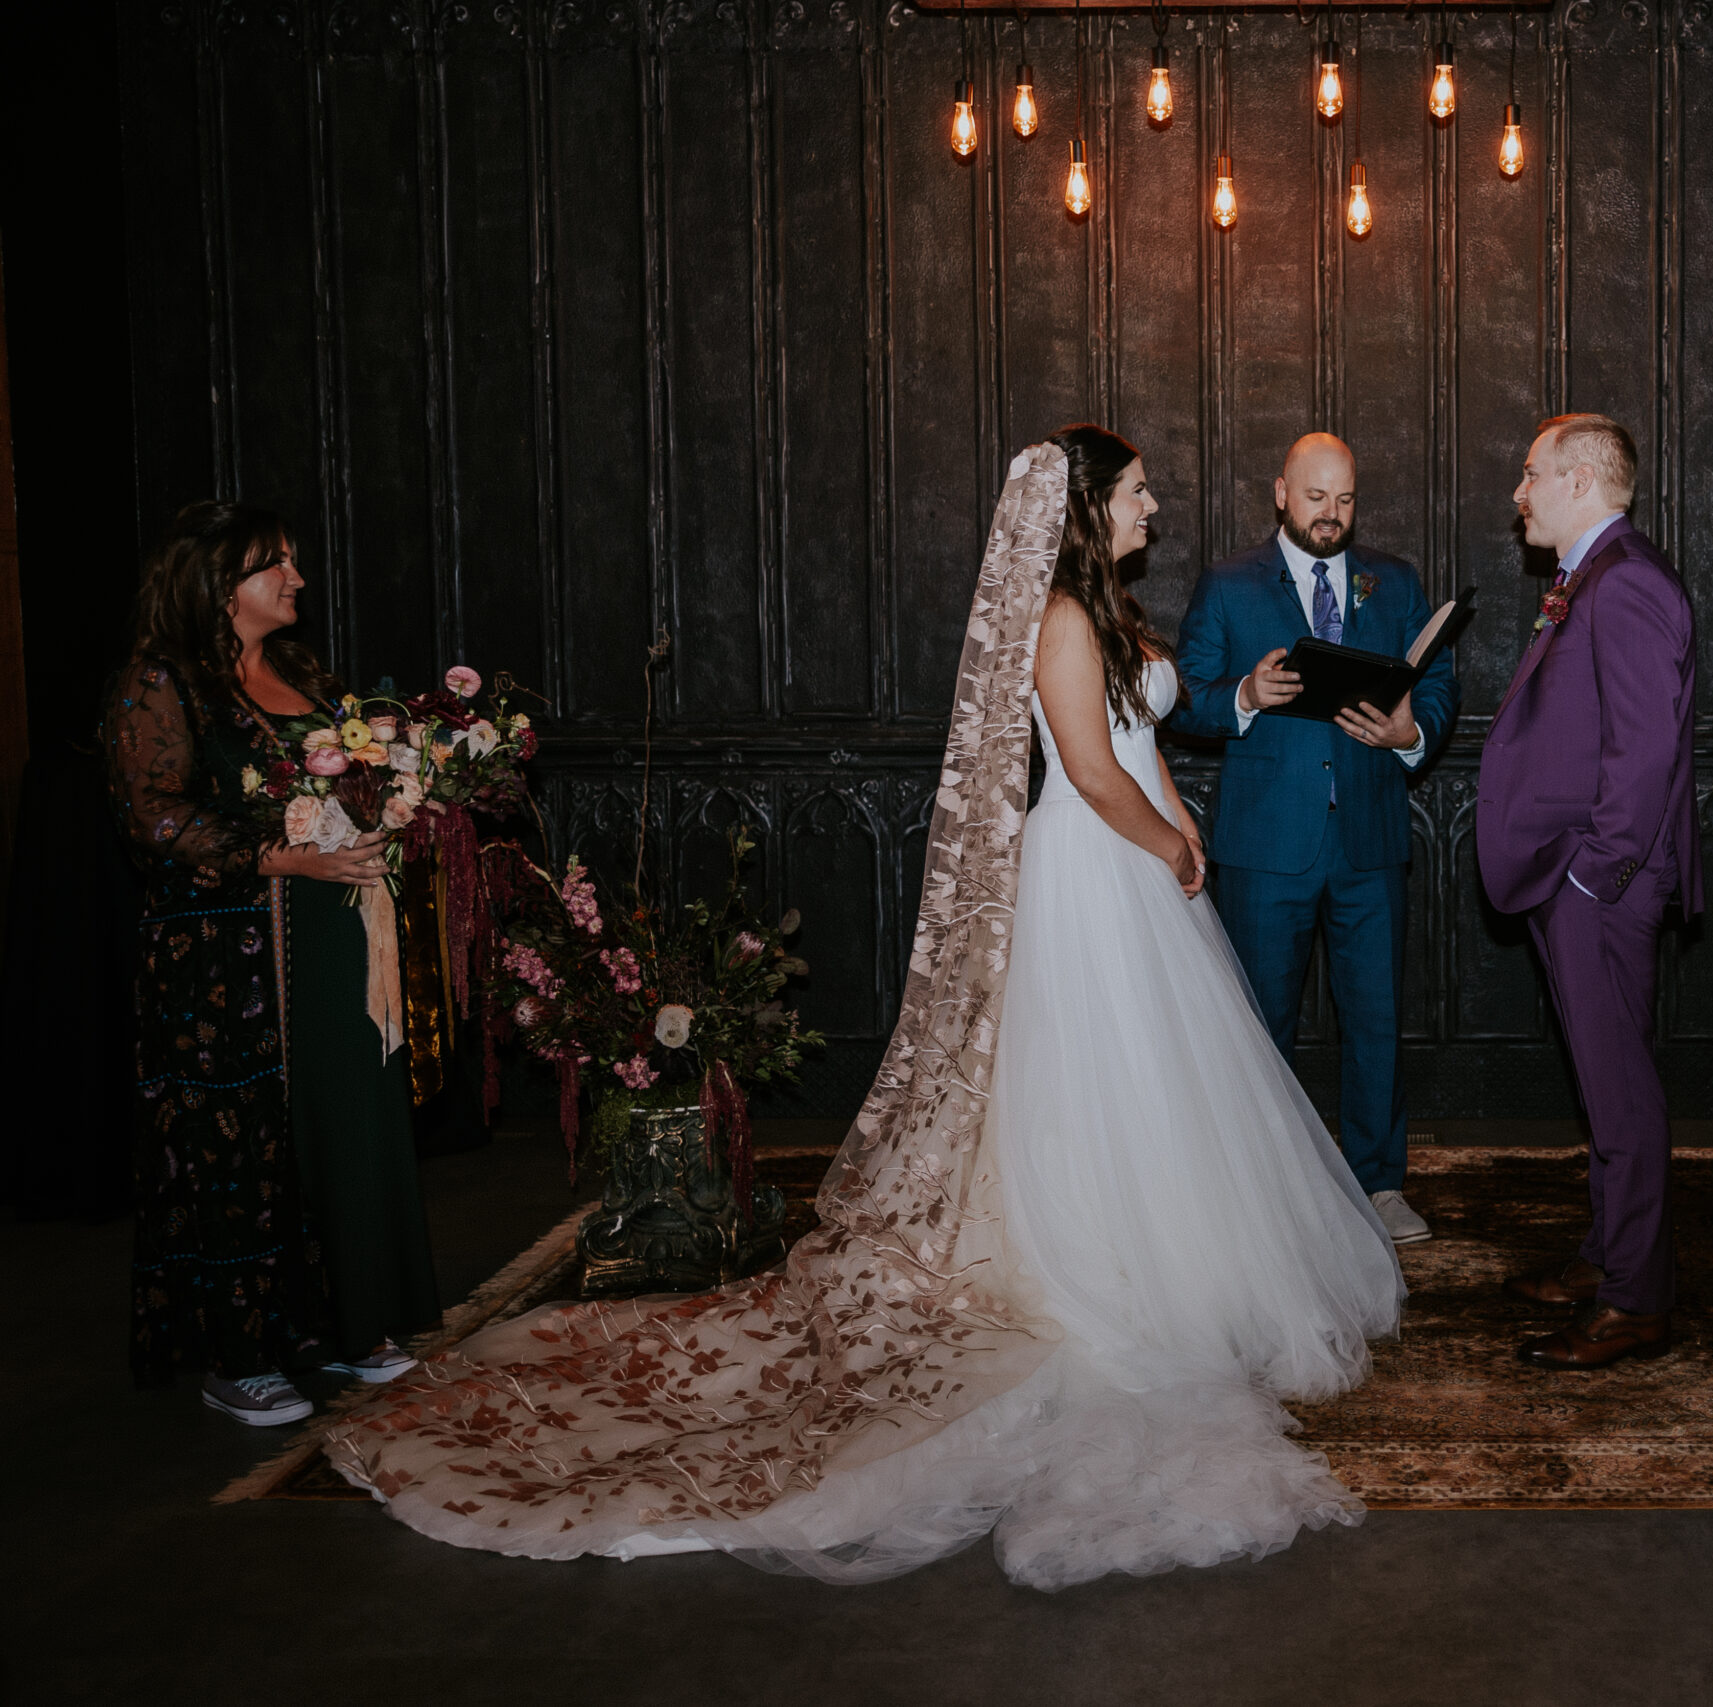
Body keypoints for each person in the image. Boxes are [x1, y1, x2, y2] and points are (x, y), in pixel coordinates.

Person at [324, 429, 1404, 1591]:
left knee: (1167, 1087)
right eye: (1138, 491)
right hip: (1102, 871)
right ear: (1088, 508)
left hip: (1143, 860)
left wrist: (1175, 828)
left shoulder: (1106, 607)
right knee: (1108, 1082)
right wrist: (1173, 843)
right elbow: (1089, 772)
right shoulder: (1059, 617)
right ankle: (1112, 1275)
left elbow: (1133, 746)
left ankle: (1188, 1262)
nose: (1155, 505)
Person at [106, 501, 439, 1427]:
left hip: (330, 945)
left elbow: (353, 777)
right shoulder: (163, 681)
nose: (295, 578)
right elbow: (152, 814)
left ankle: (348, 1320)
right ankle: (237, 1353)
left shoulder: (296, 670)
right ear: (219, 585)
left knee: (338, 1125)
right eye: (273, 566)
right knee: (242, 1145)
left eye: (291, 561)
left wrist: (398, 797)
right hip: (227, 961)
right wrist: (281, 858)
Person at [1166, 432, 1458, 1244]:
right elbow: (1185, 696)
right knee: (1261, 1025)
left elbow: (1437, 681)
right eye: (1316, 497)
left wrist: (1411, 732)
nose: (1332, 515)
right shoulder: (1228, 584)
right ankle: (1264, 1189)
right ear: (1281, 493)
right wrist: (1246, 695)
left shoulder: (1393, 581)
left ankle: (1379, 1185)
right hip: (1265, 849)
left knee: (1375, 1019)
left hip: (1369, 842)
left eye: (1346, 499)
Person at [1475, 414, 1702, 1371]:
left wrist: (1589, 877)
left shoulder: (1631, 582)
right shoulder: (1592, 578)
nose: (1518, 494)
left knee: (1623, 1098)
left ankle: (1635, 1301)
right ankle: (1608, 1259)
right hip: (1578, 879)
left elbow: (1643, 754)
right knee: (1601, 1088)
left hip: (1599, 883)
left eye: (1529, 475)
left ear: (1577, 479)